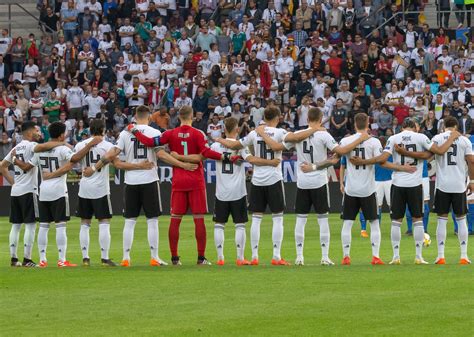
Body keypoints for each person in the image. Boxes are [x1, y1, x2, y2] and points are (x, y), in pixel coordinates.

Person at [86, 105, 197, 267]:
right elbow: (160, 154)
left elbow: (112, 154)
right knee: (152, 220)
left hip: (131, 182)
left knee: (129, 221)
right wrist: (182, 164)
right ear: (149, 116)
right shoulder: (154, 132)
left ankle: (125, 258)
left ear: (135, 116)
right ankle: (154, 257)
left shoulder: (125, 133)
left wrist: (95, 167)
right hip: (149, 180)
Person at [127, 105, 234, 265]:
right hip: (195, 179)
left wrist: (134, 130)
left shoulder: (170, 133)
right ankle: (200, 258)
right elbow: (206, 153)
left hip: (178, 180)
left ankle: (175, 258)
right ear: (191, 116)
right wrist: (227, 158)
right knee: (198, 219)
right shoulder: (198, 134)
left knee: (175, 219)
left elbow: (149, 142)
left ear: (179, 117)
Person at [218, 106, 316, 266]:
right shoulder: (280, 133)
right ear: (277, 117)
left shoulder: (253, 133)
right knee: (277, 218)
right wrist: (314, 129)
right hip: (274, 178)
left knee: (256, 219)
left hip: (257, 179)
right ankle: (276, 256)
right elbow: (297, 138)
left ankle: (255, 256)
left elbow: (236, 145)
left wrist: (220, 140)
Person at [352, 118, 458, 264]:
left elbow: (382, 160)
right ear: (414, 126)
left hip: (398, 184)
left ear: (402, 127)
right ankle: (419, 256)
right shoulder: (421, 137)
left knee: (396, 221)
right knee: (417, 220)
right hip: (415, 184)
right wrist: (452, 137)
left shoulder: (394, 138)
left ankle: (396, 257)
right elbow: (437, 151)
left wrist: (363, 161)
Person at [281, 108, 370, 265]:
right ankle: (324, 256)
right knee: (322, 220)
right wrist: (360, 138)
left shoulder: (298, 135)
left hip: (302, 182)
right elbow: (341, 151)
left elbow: (282, 145)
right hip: (319, 182)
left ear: (307, 118)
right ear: (321, 118)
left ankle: (299, 256)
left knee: (301, 220)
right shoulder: (324, 135)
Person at [14, 122, 102, 267]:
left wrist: (14, 159)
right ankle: (62, 259)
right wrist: (89, 145)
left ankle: (42, 260)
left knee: (43, 226)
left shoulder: (40, 150)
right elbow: (75, 158)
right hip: (58, 191)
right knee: (60, 225)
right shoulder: (61, 149)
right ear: (61, 135)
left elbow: (27, 166)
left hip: (43, 191)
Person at [75, 119, 156, 267]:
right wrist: (140, 166)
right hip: (100, 190)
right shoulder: (108, 146)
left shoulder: (81, 145)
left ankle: (85, 257)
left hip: (84, 188)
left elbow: (74, 160)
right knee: (104, 223)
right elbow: (118, 164)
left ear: (90, 130)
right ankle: (104, 258)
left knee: (85, 223)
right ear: (103, 130)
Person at [341, 113, 415, 265]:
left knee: (347, 223)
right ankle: (375, 256)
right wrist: (402, 168)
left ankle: (346, 256)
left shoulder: (345, 141)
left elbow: (338, 159)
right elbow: (382, 163)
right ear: (368, 123)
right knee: (374, 222)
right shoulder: (374, 142)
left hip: (351, 189)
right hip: (368, 189)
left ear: (354, 124)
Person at [210, 117, 280, 265]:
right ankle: (240, 258)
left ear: (224, 129)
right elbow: (252, 160)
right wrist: (270, 162)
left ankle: (220, 258)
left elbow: (204, 154)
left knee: (219, 225)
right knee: (240, 225)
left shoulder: (215, 146)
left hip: (220, 192)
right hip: (238, 192)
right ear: (236, 129)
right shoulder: (241, 146)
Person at [0, 122, 68, 267]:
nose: (38, 133)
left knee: (16, 225)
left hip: (16, 191)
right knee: (30, 225)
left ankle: (13, 258)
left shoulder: (16, 148)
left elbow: (2, 166)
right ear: (30, 133)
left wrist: (13, 182)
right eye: (36, 130)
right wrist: (62, 142)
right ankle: (27, 259)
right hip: (29, 191)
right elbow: (43, 147)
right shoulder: (31, 146)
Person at [431, 116, 472, 265]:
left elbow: (432, 153)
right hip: (459, 184)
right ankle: (463, 256)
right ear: (456, 126)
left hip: (442, 185)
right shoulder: (465, 140)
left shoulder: (438, 137)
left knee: (442, 220)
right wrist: (472, 181)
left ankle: (441, 256)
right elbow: (471, 161)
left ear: (444, 126)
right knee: (461, 219)